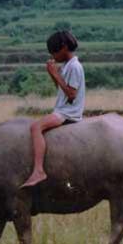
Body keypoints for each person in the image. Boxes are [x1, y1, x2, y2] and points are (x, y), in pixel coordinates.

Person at [21, 30, 85, 188]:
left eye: (54, 52)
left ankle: (38, 170)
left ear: (63, 48)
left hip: (67, 113)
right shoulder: (67, 66)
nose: (53, 56)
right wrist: (53, 74)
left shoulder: (75, 67)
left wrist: (56, 74)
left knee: (36, 127)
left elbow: (71, 94)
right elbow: (62, 88)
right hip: (62, 110)